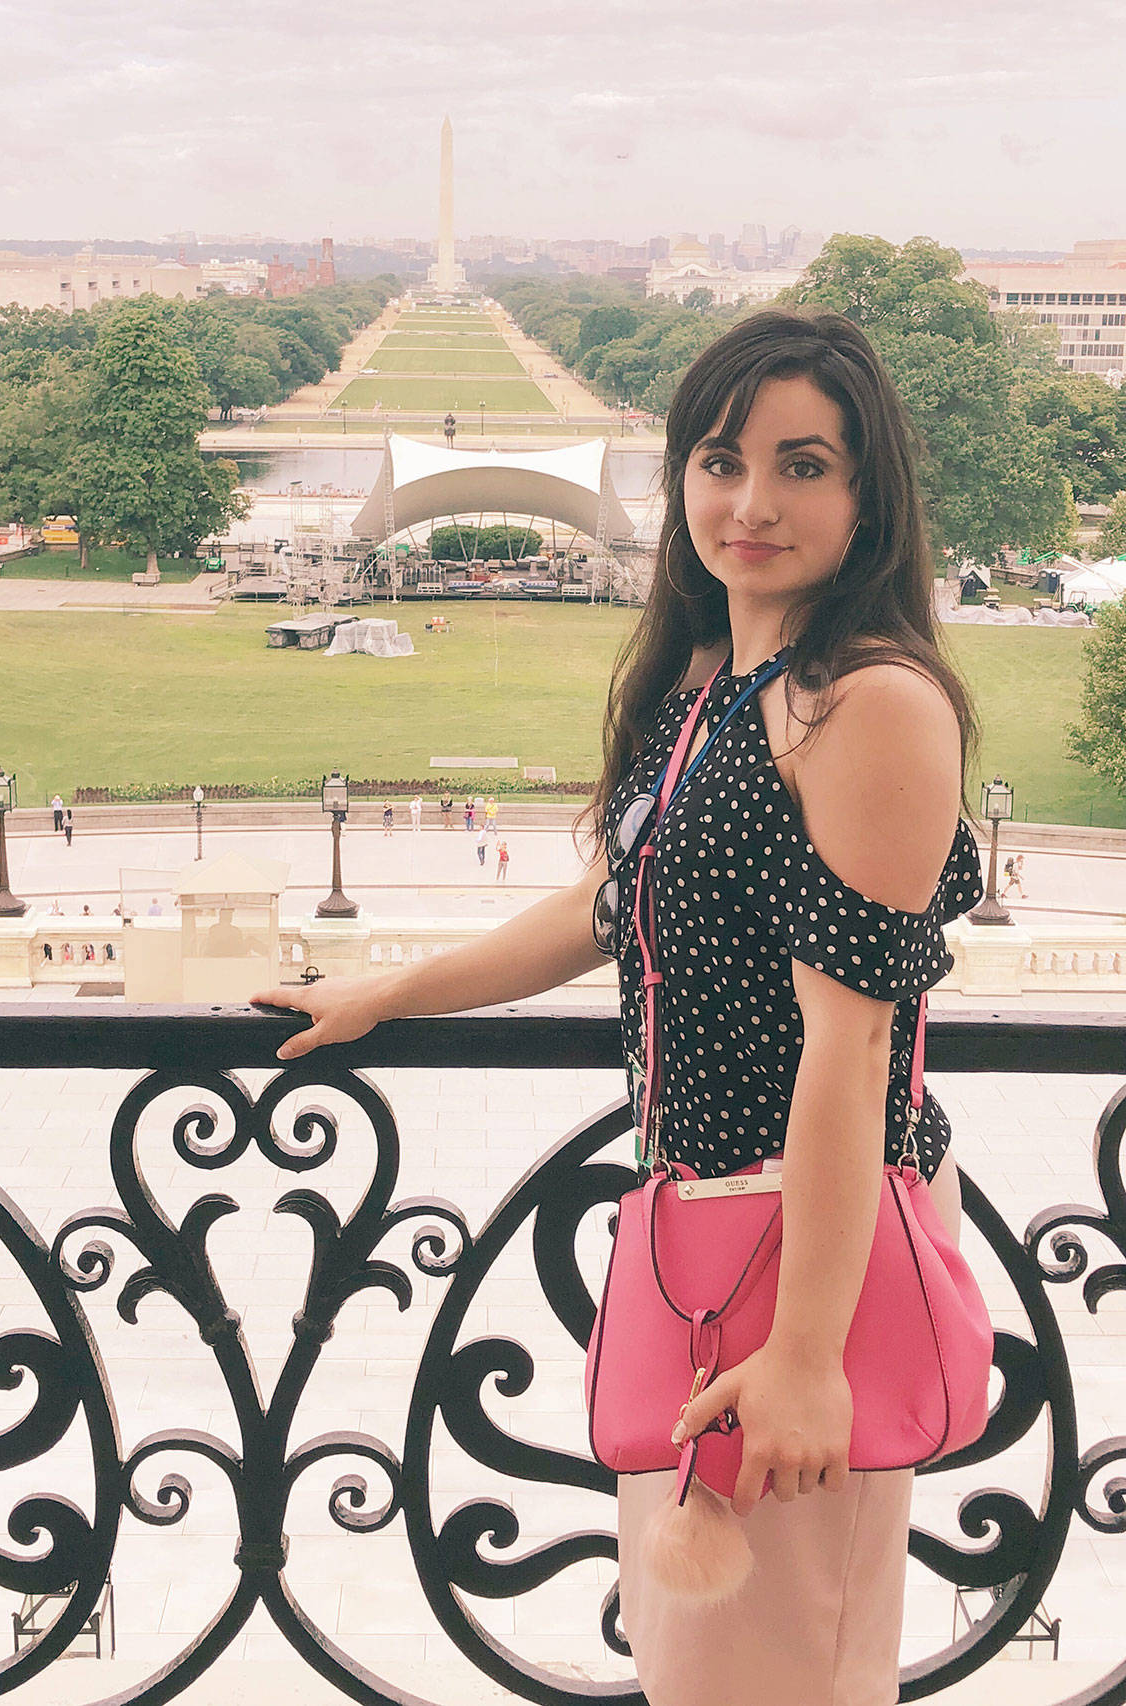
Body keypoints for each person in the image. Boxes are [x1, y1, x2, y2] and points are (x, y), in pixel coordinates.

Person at [252, 308, 986, 1706]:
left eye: (805, 465)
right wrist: (391, 988)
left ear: (869, 495)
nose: (752, 502)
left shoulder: (868, 703)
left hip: (801, 1246)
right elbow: (608, 912)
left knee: (784, 1670)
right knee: (698, 1657)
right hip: (701, 1230)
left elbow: (854, 1045)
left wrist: (809, 1357)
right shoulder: (716, 684)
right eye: (721, 459)